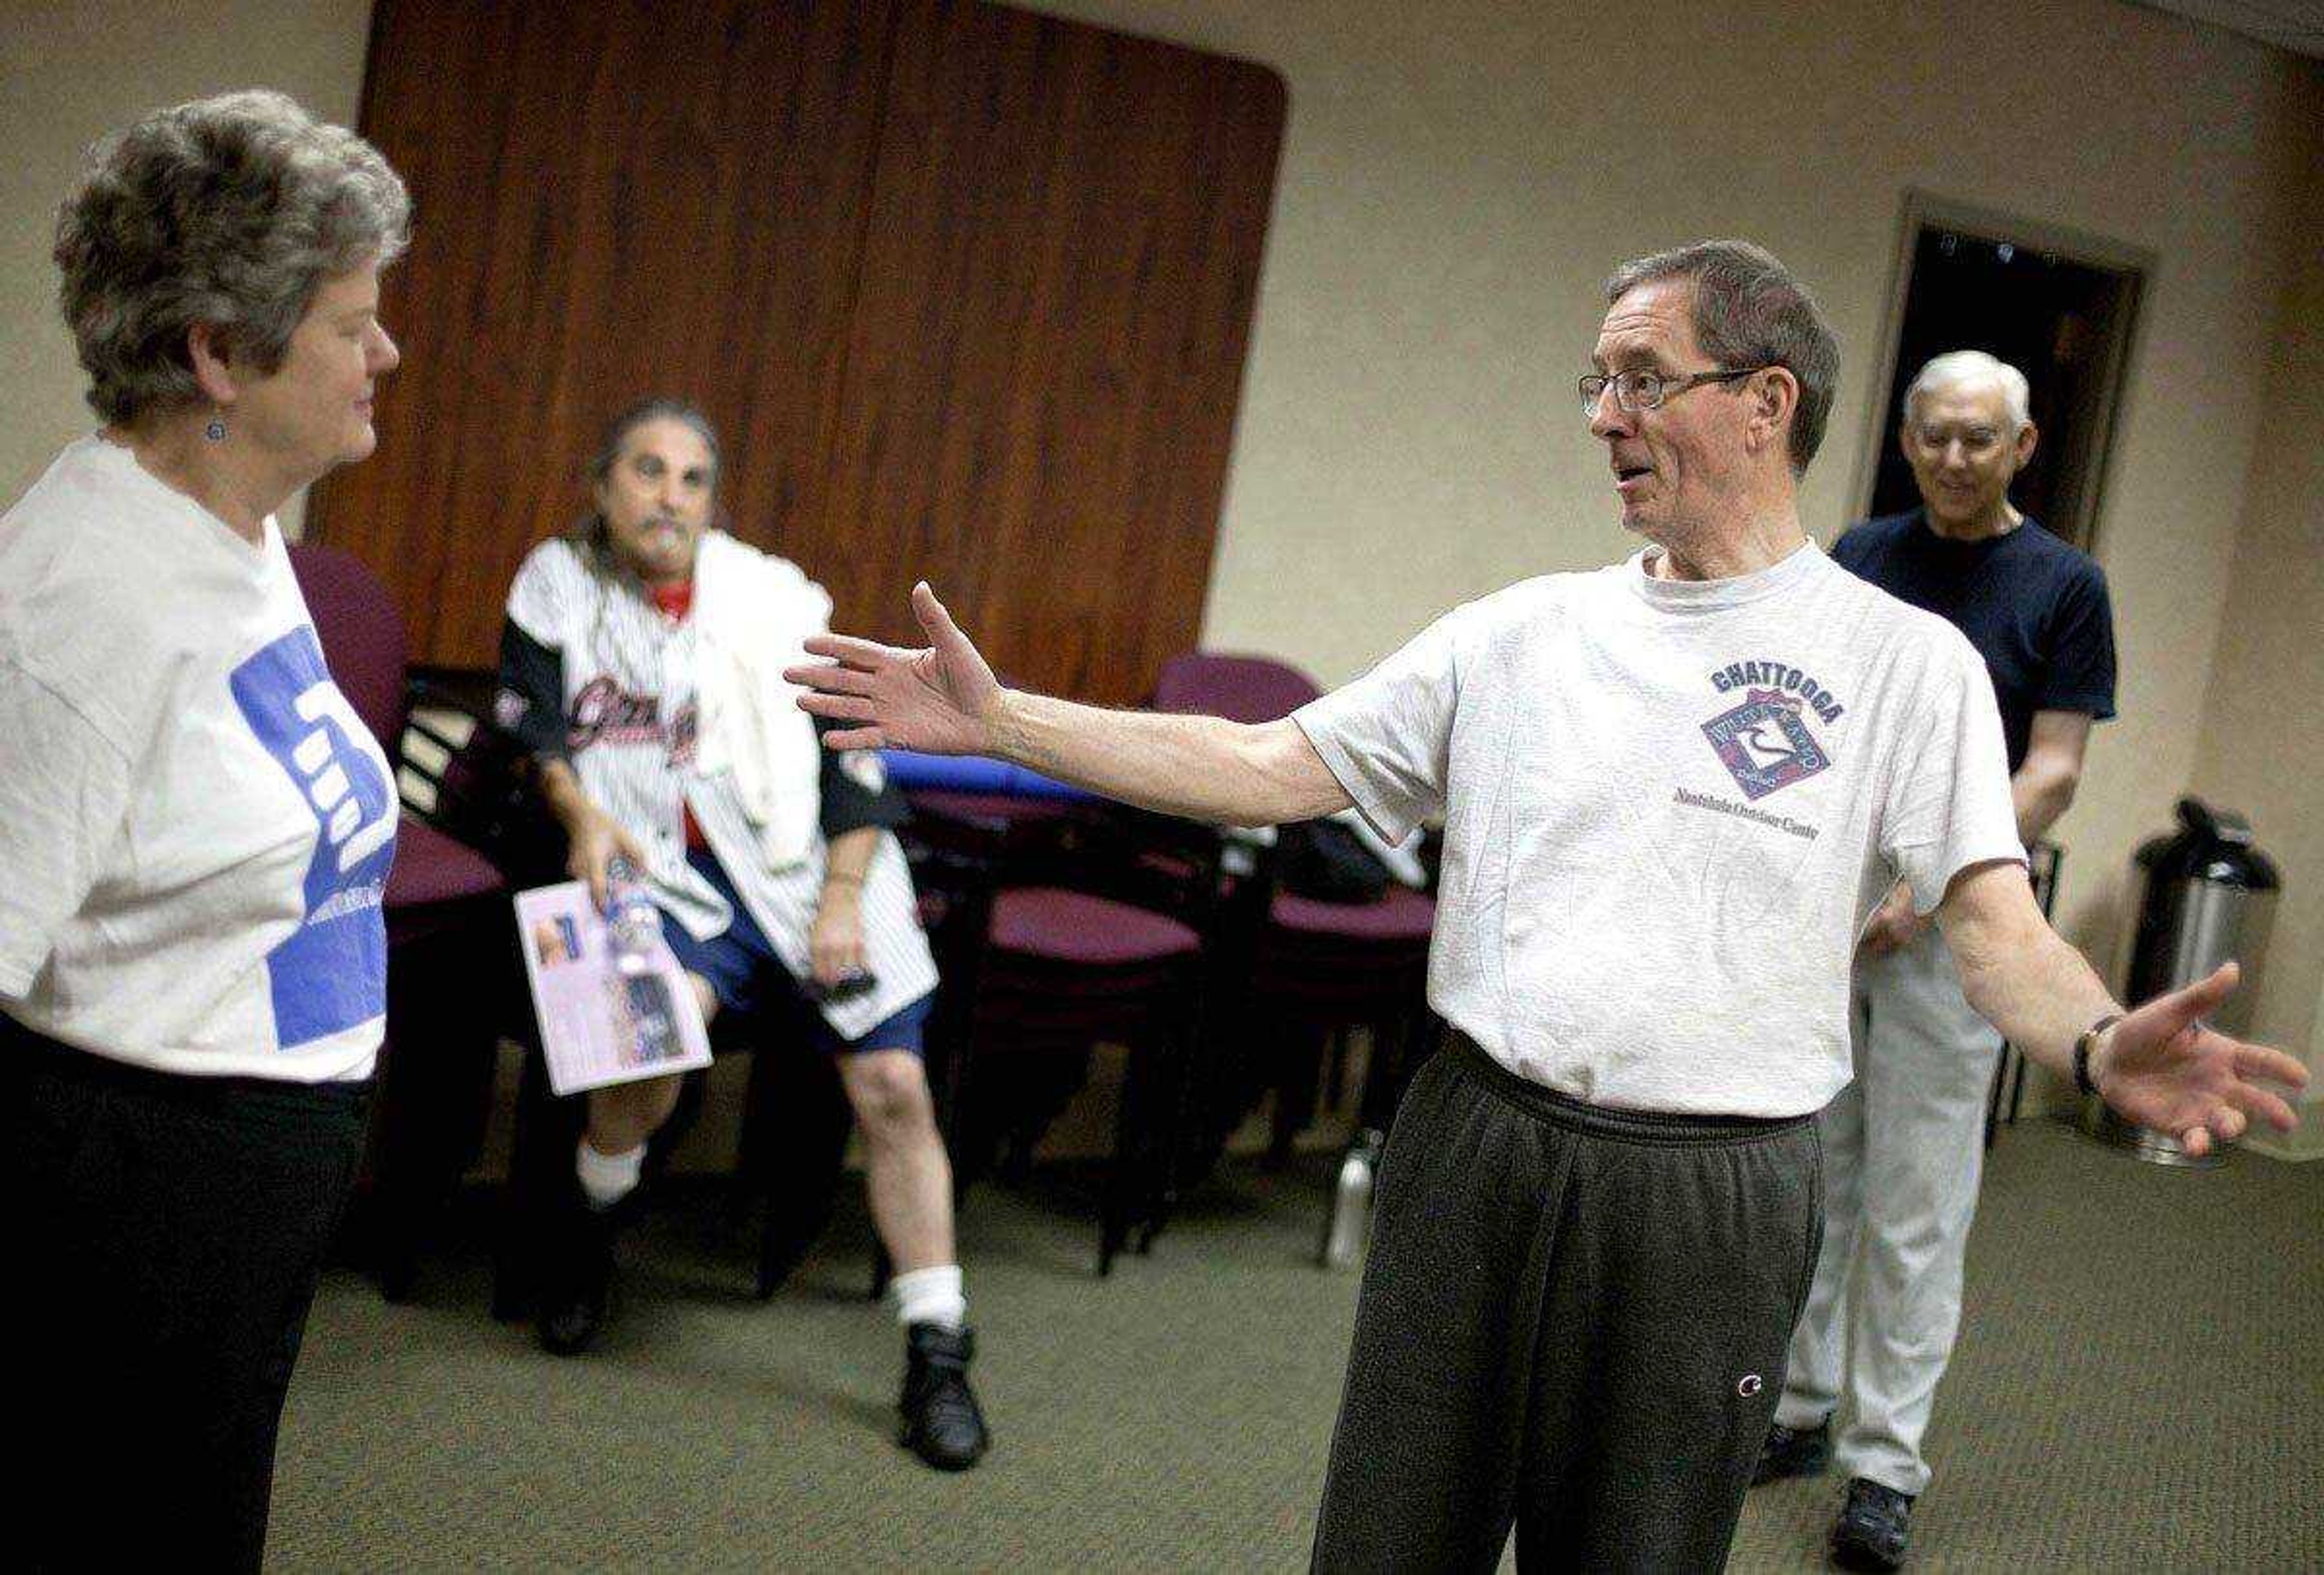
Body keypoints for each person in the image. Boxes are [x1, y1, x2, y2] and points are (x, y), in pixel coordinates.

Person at [784, 241, 2306, 1568]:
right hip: (1480, 1142)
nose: (1604, 416)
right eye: (1594, 380)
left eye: (1642, 377)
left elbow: (1993, 923)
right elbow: (1264, 760)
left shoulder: (1908, 666)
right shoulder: (1524, 634)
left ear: (1765, 401)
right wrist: (1007, 724)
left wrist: (2102, 1044)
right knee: (1391, 1537)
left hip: (1712, 1193)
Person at [0, 91, 409, 1571]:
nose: (387, 353)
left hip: (241, 1177)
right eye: (353, 323)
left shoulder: (241, 527)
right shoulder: (81, 601)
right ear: (218, 355)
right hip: (127, 1197)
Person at [493, 397, 990, 1470]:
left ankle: (938, 1348)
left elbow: (859, 769)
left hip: (810, 868)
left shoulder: (772, 603)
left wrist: (844, 898)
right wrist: (581, 817)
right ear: (603, 483)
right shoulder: (556, 585)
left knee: (895, 1088)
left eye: (691, 479)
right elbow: (532, 730)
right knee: (644, 1051)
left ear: (711, 503)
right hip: (658, 876)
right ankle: (590, 1227)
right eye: (646, 470)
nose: (667, 496)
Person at [1753, 350, 2118, 1570]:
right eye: (1934, 435)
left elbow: (2054, 766)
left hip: (1958, 927)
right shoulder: (1860, 555)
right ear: (1907, 440)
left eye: (1980, 437)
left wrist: (1934, 875)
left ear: (2021, 446)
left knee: (1916, 1200)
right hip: (1834, 916)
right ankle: (1800, 1411)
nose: (1954, 456)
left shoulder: (2064, 585)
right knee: (1816, 1174)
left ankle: (1885, 1461)